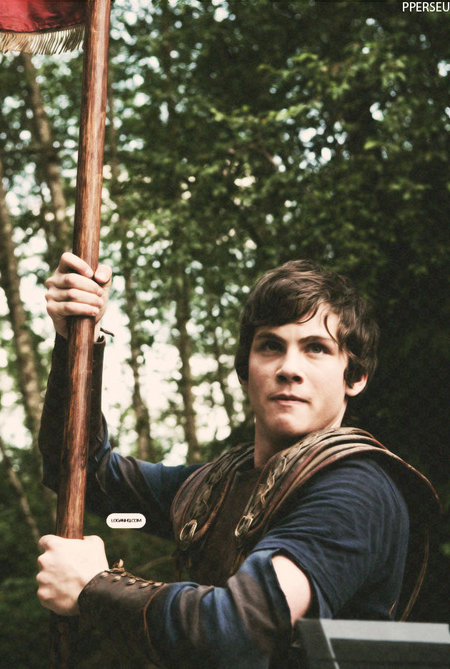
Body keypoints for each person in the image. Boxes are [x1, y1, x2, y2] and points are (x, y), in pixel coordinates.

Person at [36, 252, 438, 668]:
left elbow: (239, 632)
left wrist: (96, 587)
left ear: (354, 377)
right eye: (271, 346)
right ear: (245, 370)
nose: (289, 368)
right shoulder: (214, 487)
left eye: (316, 348)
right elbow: (81, 472)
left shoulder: (357, 490)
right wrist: (76, 338)